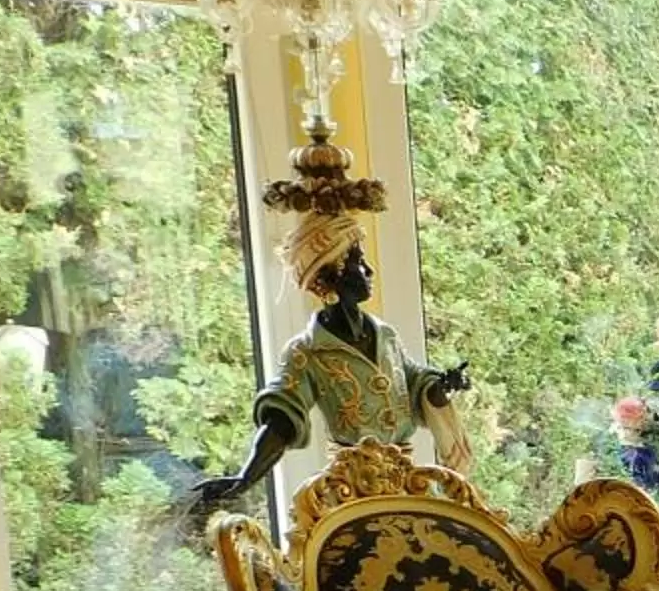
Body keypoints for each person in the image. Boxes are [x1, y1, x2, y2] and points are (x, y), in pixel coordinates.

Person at [189, 203, 470, 522]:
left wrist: (441, 387)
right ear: (331, 275)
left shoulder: (385, 335)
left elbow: (414, 381)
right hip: (352, 492)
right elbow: (281, 420)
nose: (369, 271)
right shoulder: (307, 353)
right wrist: (246, 478)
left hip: (407, 483)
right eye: (358, 263)